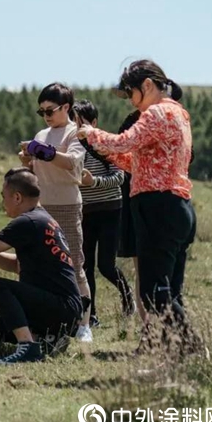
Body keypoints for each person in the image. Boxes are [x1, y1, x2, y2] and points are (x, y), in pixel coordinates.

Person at [77, 59, 201, 355]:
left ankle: (192, 346)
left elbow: (124, 142)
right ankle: (181, 353)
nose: (131, 101)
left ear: (147, 86)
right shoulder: (179, 114)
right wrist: (105, 150)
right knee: (170, 290)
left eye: (131, 93)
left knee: (152, 291)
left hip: (156, 206)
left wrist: (89, 134)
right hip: (178, 206)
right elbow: (136, 160)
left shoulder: (157, 112)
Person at [0, 168, 83, 364]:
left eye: (4, 197)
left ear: (17, 197)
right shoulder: (42, 219)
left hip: (60, 308)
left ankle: (28, 347)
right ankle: (48, 338)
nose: (3, 202)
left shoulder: (27, 221)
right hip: (64, 309)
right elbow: (18, 266)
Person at [18, 83, 93, 342]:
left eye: (50, 110)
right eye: (42, 112)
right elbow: (37, 167)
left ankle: (84, 324)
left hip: (67, 205)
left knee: (74, 264)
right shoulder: (41, 134)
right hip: (41, 206)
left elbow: (71, 163)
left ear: (66, 108)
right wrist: (28, 159)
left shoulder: (76, 134)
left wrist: (40, 151)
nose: (46, 116)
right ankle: (43, 323)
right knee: (38, 265)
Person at [73, 100, 135, 327]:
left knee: (105, 266)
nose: (77, 126)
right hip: (85, 213)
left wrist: (94, 181)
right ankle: (92, 315)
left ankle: (128, 296)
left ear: (94, 123)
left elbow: (120, 178)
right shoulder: (70, 148)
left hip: (111, 210)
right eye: (73, 121)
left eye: (82, 121)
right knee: (86, 266)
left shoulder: (103, 143)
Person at [115, 110, 148, 323]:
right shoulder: (134, 120)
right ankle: (148, 328)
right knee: (142, 268)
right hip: (136, 200)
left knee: (145, 269)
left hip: (143, 201)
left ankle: (152, 328)